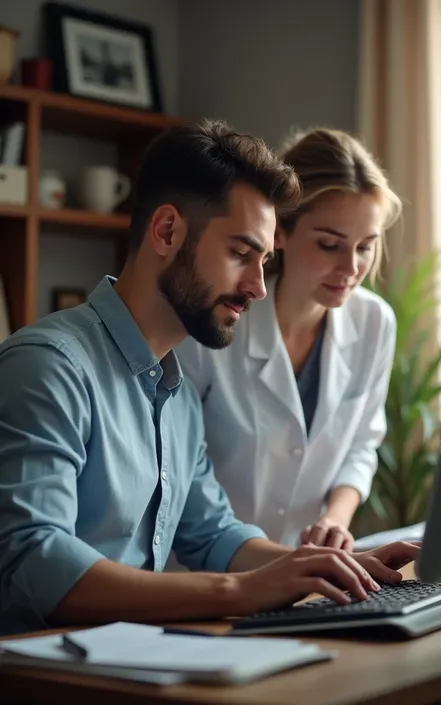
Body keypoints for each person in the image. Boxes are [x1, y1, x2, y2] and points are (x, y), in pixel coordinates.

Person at [0, 120, 417, 636]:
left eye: (263, 260)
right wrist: (242, 591)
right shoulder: (47, 367)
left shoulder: (172, 391)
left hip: (130, 664)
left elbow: (214, 533)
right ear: (167, 231)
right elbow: (35, 562)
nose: (259, 287)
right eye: (241, 254)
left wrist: (322, 567)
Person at [177, 126, 402, 551]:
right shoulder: (218, 323)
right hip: (204, 571)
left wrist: (334, 520)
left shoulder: (375, 323)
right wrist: (262, 563)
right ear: (280, 231)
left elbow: (361, 445)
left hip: (305, 570)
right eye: (330, 245)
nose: (351, 268)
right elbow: (183, 466)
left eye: (365, 247)